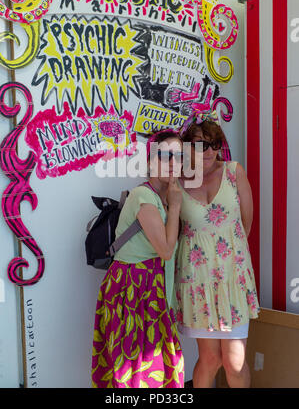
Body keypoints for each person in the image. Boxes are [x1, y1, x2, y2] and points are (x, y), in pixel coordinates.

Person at [91, 129, 185, 388]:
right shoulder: (144, 196)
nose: (173, 163)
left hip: (148, 288)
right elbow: (165, 251)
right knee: (136, 370)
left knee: (153, 368)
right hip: (133, 290)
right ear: (150, 160)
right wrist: (176, 206)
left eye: (178, 156)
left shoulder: (162, 195)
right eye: (165, 156)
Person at [175, 109, 260, 388]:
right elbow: (173, 234)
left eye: (214, 144)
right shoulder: (177, 183)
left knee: (234, 363)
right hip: (196, 281)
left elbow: (245, 227)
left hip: (232, 280)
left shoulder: (234, 172)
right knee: (209, 359)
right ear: (187, 147)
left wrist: (226, 257)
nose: (210, 151)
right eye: (201, 144)